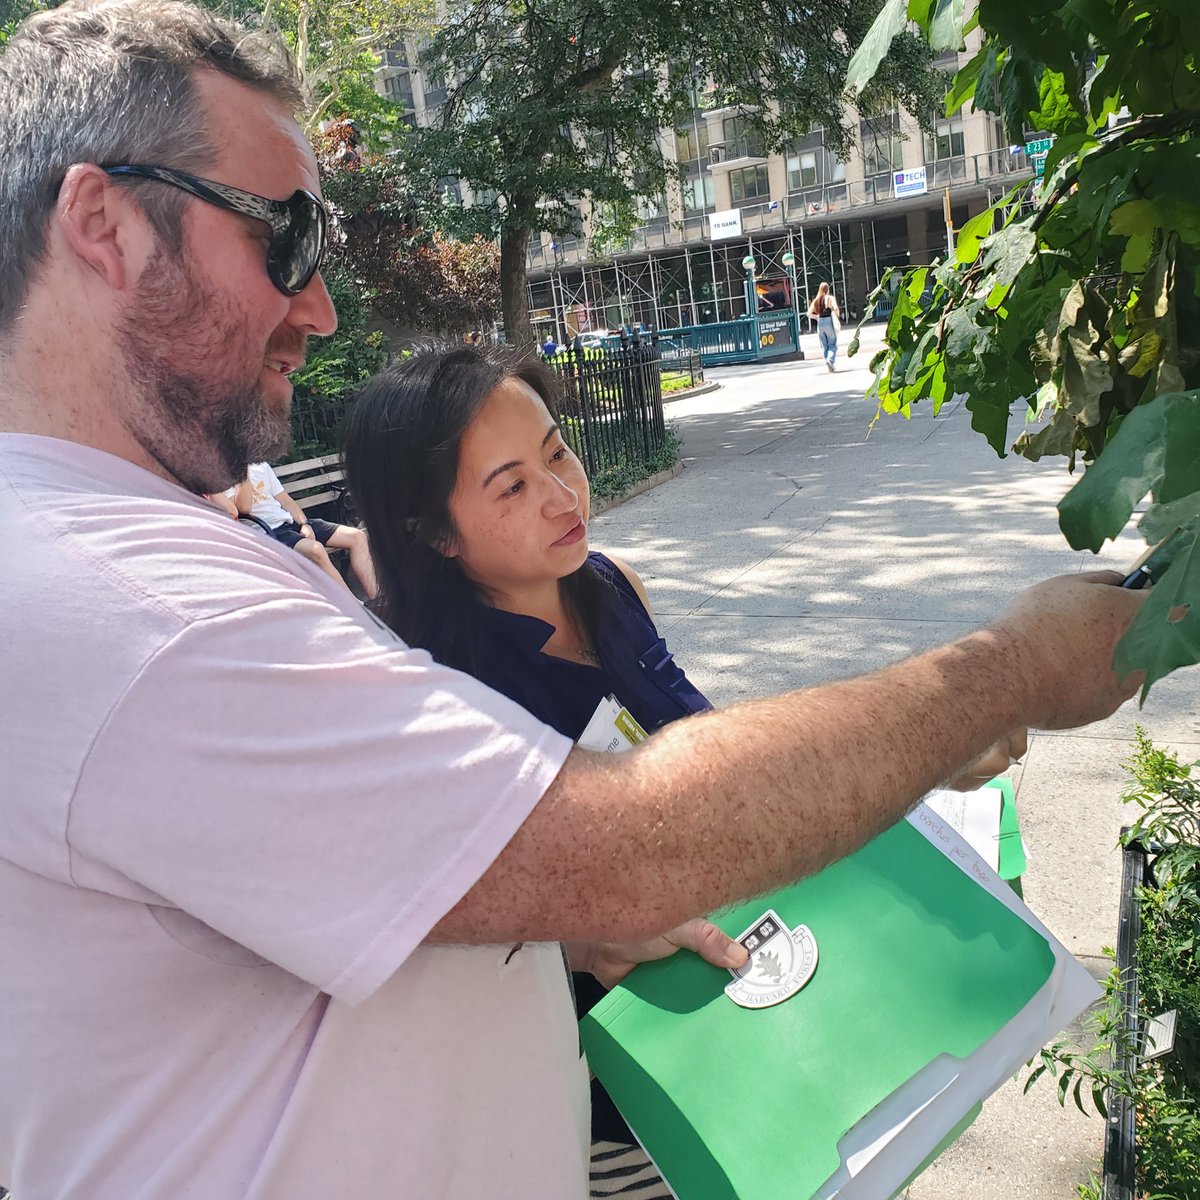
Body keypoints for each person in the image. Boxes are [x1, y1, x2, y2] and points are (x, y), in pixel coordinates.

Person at [0, 3, 1147, 1198]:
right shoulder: (126, 609)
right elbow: (637, 841)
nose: (321, 308)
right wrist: (1002, 676)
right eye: (283, 237)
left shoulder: (151, 550)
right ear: (104, 223)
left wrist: (559, 927)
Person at [341, 344, 1028, 1198]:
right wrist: (581, 935)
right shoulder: (441, 700)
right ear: (433, 533)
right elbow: (439, 929)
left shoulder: (609, 585)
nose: (562, 495)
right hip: (635, 1090)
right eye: (512, 486)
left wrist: (901, 761)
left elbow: (703, 766)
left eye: (557, 451)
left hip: (771, 997)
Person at [229, 460, 378, 597]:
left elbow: (286, 500)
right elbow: (243, 508)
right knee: (316, 549)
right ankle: (356, 608)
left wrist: (304, 523)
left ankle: (377, 600)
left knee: (357, 536)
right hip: (269, 533)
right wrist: (243, 471)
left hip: (290, 523)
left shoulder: (261, 465)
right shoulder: (224, 474)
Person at [809, 280, 841, 371]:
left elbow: (808, 313)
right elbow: (835, 308)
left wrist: (817, 317)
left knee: (824, 346)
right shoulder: (830, 298)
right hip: (829, 321)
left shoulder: (816, 300)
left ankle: (828, 362)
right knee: (832, 345)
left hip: (820, 323)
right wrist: (837, 317)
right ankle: (829, 360)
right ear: (828, 289)